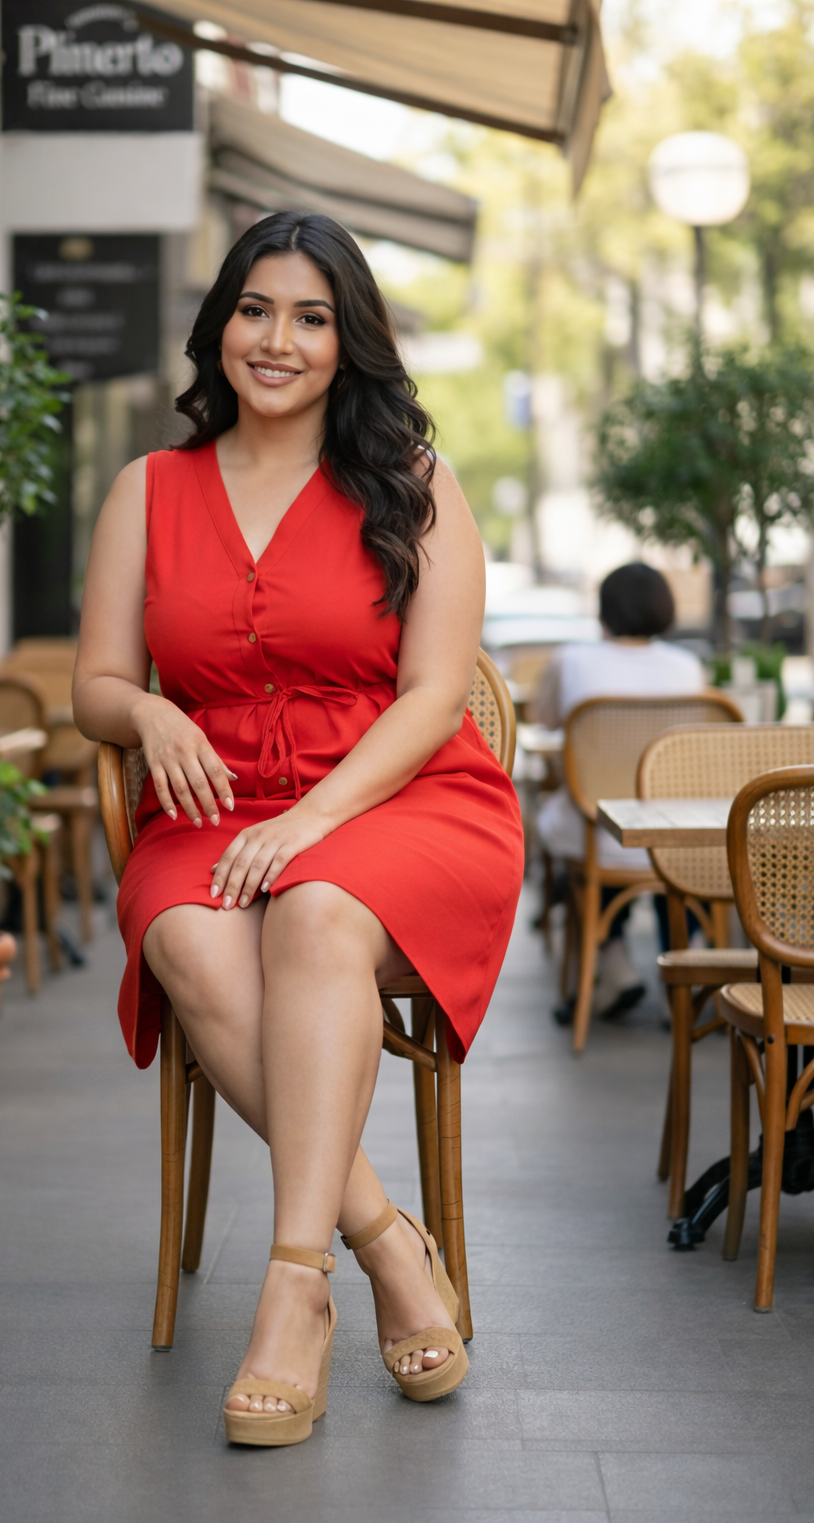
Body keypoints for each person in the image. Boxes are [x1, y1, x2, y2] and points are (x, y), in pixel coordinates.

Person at [73, 212, 523, 1447]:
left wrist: (317, 820)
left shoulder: (414, 486)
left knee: (315, 913)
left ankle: (293, 1288)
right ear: (220, 324)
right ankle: (383, 1243)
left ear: (348, 344)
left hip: (396, 801)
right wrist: (149, 710)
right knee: (192, 941)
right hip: (214, 811)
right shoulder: (146, 489)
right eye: (256, 310)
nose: (278, 340)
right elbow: (94, 684)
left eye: (312, 318)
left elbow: (436, 696)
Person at [535, 562, 704, 1019]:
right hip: (677, 841)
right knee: (671, 873)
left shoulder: (572, 660)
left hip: (599, 835)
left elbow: (544, 719)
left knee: (570, 831)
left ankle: (613, 963)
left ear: (604, 610)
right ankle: (682, 985)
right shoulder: (688, 668)